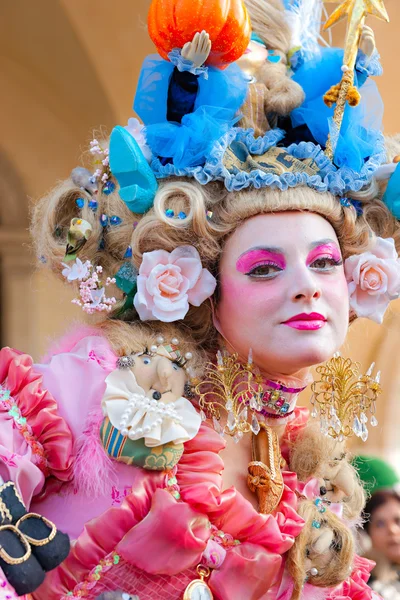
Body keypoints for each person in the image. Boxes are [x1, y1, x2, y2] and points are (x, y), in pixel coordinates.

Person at [0, 0, 399, 598]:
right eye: (265, 267)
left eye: (324, 262)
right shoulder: (97, 389)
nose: (307, 285)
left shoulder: (298, 456)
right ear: (203, 291)